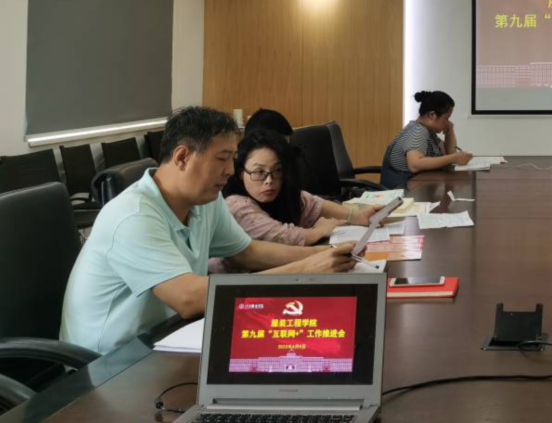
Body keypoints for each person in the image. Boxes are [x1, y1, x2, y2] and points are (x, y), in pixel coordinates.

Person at [61, 107, 358, 355]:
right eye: (222, 158)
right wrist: (304, 269)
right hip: (106, 365)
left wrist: (322, 254)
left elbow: (247, 252)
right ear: (182, 157)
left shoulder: (205, 200)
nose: (230, 170)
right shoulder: (133, 215)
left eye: (232, 159)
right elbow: (188, 298)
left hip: (167, 338)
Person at [223, 128, 384, 246]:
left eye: (277, 170)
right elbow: (282, 237)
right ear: (240, 173)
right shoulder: (237, 205)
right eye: (259, 172)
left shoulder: (283, 193)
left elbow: (314, 204)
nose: (269, 180)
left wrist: (358, 216)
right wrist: (319, 231)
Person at [381, 90, 472, 187]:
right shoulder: (418, 131)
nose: (448, 122)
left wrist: (450, 132)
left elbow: (449, 153)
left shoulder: (428, 132)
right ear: (432, 115)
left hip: (414, 186)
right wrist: (453, 158)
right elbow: (415, 165)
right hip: (401, 191)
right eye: (446, 118)